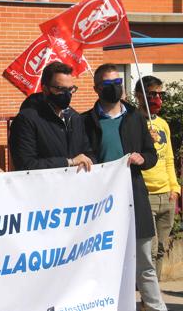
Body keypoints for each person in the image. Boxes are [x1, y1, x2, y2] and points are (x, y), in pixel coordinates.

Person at [83, 63, 165, 311]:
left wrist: (143, 158)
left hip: (134, 200)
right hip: (101, 206)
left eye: (118, 83)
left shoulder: (135, 117)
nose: (115, 88)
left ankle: (154, 306)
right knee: (104, 263)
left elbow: (151, 155)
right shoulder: (85, 121)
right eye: (109, 84)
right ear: (96, 88)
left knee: (145, 264)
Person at [135, 75, 180, 280]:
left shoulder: (162, 123)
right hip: (146, 195)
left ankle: (155, 293)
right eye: (152, 94)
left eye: (160, 94)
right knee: (149, 251)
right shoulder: (132, 122)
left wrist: (175, 188)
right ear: (139, 96)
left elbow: (169, 158)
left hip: (167, 196)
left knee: (161, 249)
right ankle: (148, 299)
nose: (157, 99)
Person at [9, 61, 94, 172]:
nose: (67, 94)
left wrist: (88, 161)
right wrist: (69, 162)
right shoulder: (27, 119)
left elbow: (88, 153)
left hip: (75, 186)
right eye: (61, 89)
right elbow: (26, 164)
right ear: (45, 89)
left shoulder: (75, 118)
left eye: (70, 89)